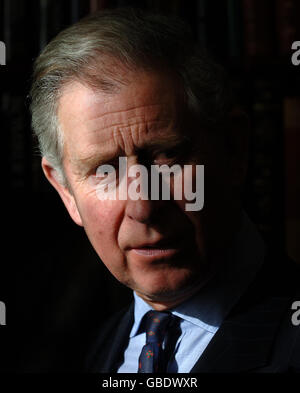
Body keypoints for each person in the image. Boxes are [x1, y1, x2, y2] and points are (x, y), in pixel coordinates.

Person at [29, 8, 300, 373]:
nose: (143, 205)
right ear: (65, 192)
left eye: (167, 156)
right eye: (105, 170)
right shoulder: (85, 354)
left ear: (234, 149)